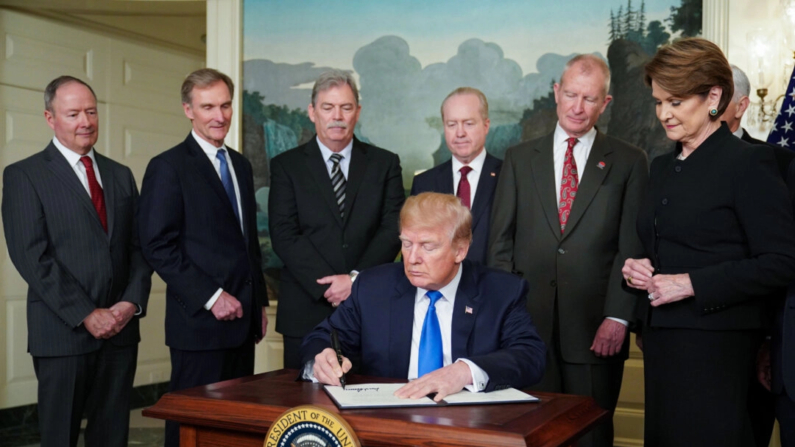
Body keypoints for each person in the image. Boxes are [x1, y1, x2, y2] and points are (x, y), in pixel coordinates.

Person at [621, 38, 795, 447]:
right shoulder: (662, 167)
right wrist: (636, 269)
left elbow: (782, 261)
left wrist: (691, 283)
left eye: (677, 102)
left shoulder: (750, 164)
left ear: (714, 96)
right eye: (658, 102)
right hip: (662, 345)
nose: (664, 114)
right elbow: (661, 244)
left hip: (718, 351)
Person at [488, 54, 648, 447]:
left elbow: (633, 245)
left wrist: (617, 316)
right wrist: (506, 317)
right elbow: (500, 245)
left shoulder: (629, 162)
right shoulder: (519, 158)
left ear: (605, 103)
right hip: (527, 331)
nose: (578, 107)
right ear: (556, 93)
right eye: (571, 94)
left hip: (596, 331)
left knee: (590, 438)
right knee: (530, 434)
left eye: (590, 99)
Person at [1, 76, 152, 447]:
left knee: (111, 436)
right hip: (63, 334)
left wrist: (130, 303)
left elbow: (139, 248)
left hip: (120, 334)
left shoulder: (120, 175)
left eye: (91, 111)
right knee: (60, 438)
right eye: (73, 113)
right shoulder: (24, 175)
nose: (85, 121)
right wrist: (87, 313)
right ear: (50, 118)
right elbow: (32, 257)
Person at [301, 192, 545, 398]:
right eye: (407, 244)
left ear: (460, 250)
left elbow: (530, 356)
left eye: (428, 246)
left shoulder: (500, 291)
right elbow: (323, 337)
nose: (413, 258)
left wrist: (463, 372)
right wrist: (322, 359)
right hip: (388, 421)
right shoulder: (373, 287)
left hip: (469, 427)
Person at [137, 68, 268, 447]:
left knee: (233, 425)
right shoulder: (168, 166)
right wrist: (212, 296)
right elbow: (157, 244)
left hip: (243, 323)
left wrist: (257, 299)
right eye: (208, 106)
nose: (219, 116)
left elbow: (248, 244)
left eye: (225, 105)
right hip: (199, 324)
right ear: (188, 110)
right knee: (191, 424)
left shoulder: (240, 165)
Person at [269, 69, 405, 369]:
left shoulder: (385, 163)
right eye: (328, 107)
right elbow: (283, 233)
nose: (337, 116)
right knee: (303, 406)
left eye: (345, 107)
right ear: (312, 112)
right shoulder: (286, 166)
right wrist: (329, 286)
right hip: (305, 309)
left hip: (368, 310)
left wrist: (355, 280)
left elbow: (393, 228)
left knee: (368, 404)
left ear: (357, 111)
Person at [720, 63, 795, 447]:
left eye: (718, 97)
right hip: (697, 338)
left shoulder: (778, 164)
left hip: (763, 341)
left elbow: (779, 260)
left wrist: (769, 341)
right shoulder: (672, 163)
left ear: (741, 105)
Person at [410, 87, 501, 265]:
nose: (460, 133)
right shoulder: (424, 183)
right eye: (452, 124)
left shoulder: (509, 177)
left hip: (495, 285)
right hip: (440, 288)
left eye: (468, 123)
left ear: (486, 125)